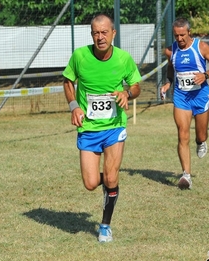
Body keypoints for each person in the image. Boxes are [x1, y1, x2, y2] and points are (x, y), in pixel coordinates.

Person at [63, 13, 141, 242]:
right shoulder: (80, 56)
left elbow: (136, 86)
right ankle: (110, 180)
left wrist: (126, 93)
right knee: (89, 183)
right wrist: (74, 106)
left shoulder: (123, 59)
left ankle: (105, 225)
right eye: (96, 33)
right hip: (88, 128)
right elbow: (68, 81)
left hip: (114, 127)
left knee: (111, 175)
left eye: (104, 32)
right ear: (91, 35)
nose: (100, 37)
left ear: (113, 34)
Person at [160, 18, 209, 190]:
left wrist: (205, 76)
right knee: (182, 134)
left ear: (189, 33)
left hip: (200, 96)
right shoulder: (171, 50)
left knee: (200, 135)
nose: (179, 39)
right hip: (181, 97)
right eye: (176, 35)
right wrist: (168, 83)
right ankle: (186, 175)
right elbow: (171, 68)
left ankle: (201, 142)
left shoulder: (201, 47)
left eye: (182, 35)